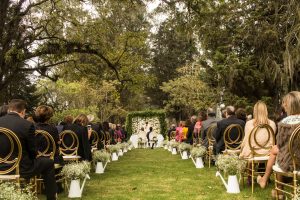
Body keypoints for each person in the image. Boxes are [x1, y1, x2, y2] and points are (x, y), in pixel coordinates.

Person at [0, 99, 57, 200]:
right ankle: (51, 198)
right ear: (23, 111)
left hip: (1, 167)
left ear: (9, 109)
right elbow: (33, 151)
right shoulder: (27, 125)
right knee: (48, 163)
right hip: (21, 168)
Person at [257, 91, 300, 197]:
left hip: (292, 163)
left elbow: (280, 146)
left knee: (275, 151)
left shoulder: (284, 123)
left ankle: (278, 189)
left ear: (288, 106)